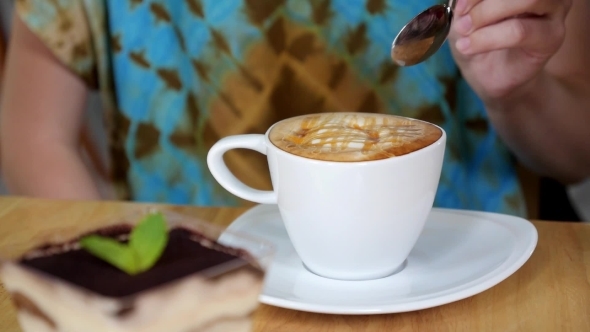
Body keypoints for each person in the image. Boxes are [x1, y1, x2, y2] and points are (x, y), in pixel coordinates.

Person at [1, 0, 589, 218]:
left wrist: (514, 88)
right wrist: (138, 275)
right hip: (201, 292)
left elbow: (575, 152)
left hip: (467, 284)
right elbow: (32, 134)